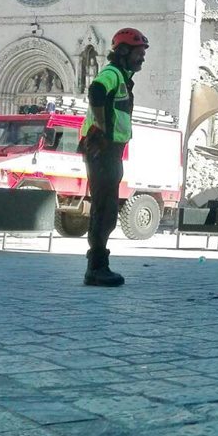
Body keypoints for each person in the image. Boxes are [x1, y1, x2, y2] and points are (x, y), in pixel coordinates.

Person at [78, 27, 149, 287]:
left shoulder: (122, 77)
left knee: (106, 207)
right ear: (123, 52)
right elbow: (96, 91)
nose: (142, 58)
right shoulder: (112, 73)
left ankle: (98, 266)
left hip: (110, 149)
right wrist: (101, 127)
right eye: (139, 53)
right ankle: (96, 268)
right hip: (102, 148)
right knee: (104, 208)